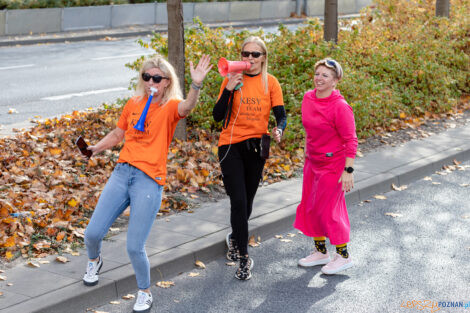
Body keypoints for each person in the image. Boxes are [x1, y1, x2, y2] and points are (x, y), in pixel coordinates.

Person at [82, 54, 212, 313]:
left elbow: (187, 108)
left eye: (156, 77)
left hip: (149, 180)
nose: (151, 81)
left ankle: (145, 292)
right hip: (122, 173)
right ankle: (94, 261)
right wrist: (95, 148)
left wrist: (196, 85)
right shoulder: (133, 103)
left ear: (166, 82)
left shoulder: (170, 105)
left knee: (134, 246)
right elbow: (120, 133)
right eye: (146, 76)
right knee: (92, 234)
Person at [213, 36, 287, 280]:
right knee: (238, 201)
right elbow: (217, 116)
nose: (250, 59)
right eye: (246, 54)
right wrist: (229, 89)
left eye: (255, 54)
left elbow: (281, 115)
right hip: (230, 146)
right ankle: (243, 258)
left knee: (248, 202)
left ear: (263, 58)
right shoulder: (232, 79)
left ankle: (235, 237)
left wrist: (279, 129)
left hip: (257, 147)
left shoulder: (271, 82)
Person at [294, 58, 357, 275]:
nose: (319, 78)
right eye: (317, 74)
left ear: (335, 81)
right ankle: (321, 252)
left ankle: (343, 256)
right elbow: (309, 129)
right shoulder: (308, 98)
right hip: (313, 161)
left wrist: (348, 171)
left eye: (325, 75)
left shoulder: (340, 107)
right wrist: (306, 152)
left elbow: (351, 141)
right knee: (311, 207)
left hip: (334, 164)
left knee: (329, 210)